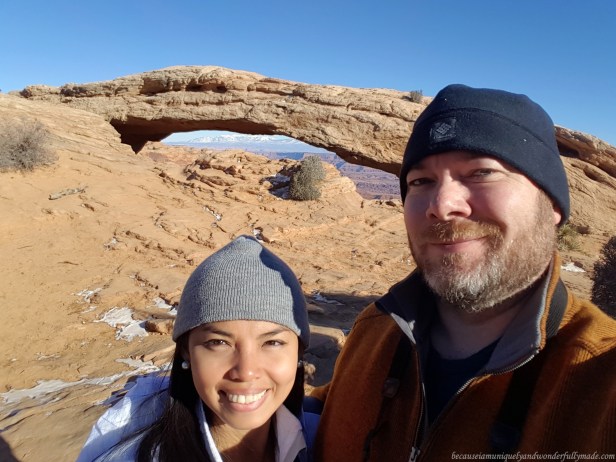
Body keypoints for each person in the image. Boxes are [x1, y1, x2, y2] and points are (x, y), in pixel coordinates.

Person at [312, 84, 616, 461]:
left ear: (552, 204)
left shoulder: (600, 374)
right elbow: (327, 407)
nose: (441, 206)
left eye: (482, 172)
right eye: (420, 181)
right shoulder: (376, 329)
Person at [77, 235, 319, 462]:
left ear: (298, 351)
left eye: (272, 342)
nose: (246, 372)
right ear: (186, 351)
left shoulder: (326, 440)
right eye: (218, 343)